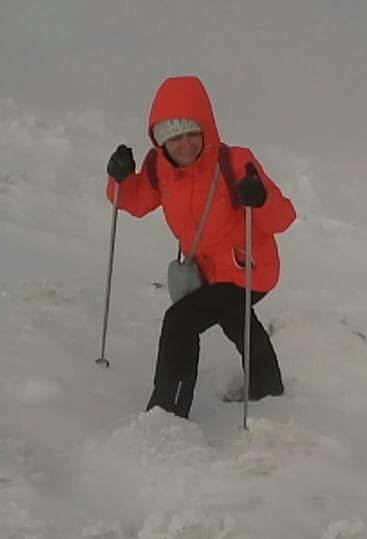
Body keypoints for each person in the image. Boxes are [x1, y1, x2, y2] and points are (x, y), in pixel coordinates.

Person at [105, 75, 296, 419]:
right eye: (173, 137)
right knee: (234, 318)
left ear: (207, 127)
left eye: (192, 133)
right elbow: (133, 202)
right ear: (160, 140)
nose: (184, 145)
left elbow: (282, 218)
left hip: (249, 269)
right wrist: (120, 178)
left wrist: (260, 198)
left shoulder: (235, 162)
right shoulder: (158, 168)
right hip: (206, 271)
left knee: (181, 321)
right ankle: (267, 384)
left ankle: (167, 413)